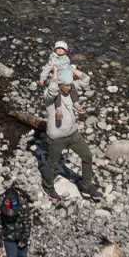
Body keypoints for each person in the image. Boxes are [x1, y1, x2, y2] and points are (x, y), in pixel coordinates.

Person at [41, 74, 98, 202]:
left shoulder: (70, 89)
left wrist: (69, 68)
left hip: (73, 134)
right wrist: (56, 71)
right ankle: (47, 187)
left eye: (70, 84)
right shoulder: (49, 95)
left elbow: (85, 79)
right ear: (59, 84)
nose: (69, 87)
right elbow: (52, 89)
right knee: (52, 164)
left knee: (87, 156)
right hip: (56, 138)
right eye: (66, 85)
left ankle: (86, 187)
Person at [0, 183, 32, 257]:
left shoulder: (23, 205)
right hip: (8, 236)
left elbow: (27, 224)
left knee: (22, 254)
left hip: (21, 234)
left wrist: (24, 239)